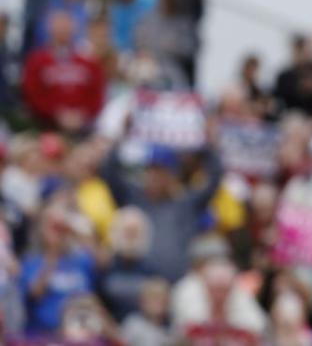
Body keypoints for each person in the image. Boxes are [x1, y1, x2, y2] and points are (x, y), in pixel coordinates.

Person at [100, 143, 223, 281]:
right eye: (150, 170)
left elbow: (214, 181)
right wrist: (121, 137)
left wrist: (207, 146)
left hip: (177, 282)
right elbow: (109, 173)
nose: (153, 177)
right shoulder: (134, 198)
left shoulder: (186, 204)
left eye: (160, 172)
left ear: (172, 176)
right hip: (137, 283)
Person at [18, 205, 97, 335]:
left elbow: (91, 295)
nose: (59, 233)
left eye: (62, 229)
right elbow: (34, 294)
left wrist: (78, 232)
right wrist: (53, 253)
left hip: (79, 334)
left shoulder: (82, 259)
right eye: (54, 228)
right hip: (42, 336)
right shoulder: (31, 260)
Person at [21, 11, 105, 132]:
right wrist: (55, 113)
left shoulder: (88, 62)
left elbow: (97, 94)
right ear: (49, 28)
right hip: (45, 126)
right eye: (59, 27)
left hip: (83, 126)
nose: (63, 31)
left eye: (66, 26)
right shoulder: (36, 61)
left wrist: (82, 115)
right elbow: (31, 94)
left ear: (74, 28)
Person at [273, 34, 312, 117]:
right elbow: (279, 98)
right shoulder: (284, 76)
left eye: (303, 49)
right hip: (292, 115)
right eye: (298, 50)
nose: (301, 54)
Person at [120, 278, 173, 346]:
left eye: (163, 299)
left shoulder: (172, 326)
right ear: (142, 302)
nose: (159, 303)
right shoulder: (133, 324)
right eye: (154, 298)